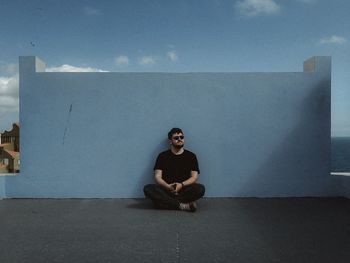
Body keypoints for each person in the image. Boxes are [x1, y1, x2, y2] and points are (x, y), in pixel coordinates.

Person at [144, 128, 205, 212]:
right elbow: (157, 177)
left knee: (200, 189)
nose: (180, 139)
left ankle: (165, 203)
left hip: (183, 190)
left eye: (181, 137)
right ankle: (183, 205)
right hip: (166, 190)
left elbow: (194, 177)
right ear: (170, 141)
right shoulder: (162, 156)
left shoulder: (191, 156)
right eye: (176, 138)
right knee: (148, 188)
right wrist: (167, 186)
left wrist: (181, 185)